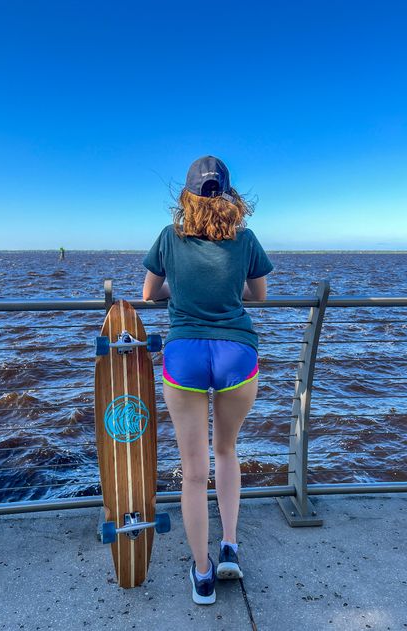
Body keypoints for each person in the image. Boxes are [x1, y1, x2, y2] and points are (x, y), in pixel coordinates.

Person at [142, 156, 273, 605]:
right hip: (237, 353)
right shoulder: (247, 239)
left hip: (186, 355)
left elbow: (148, 294)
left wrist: (179, 289)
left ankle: (202, 574)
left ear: (188, 195)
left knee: (194, 472)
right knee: (227, 451)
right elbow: (257, 295)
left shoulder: (168, 237)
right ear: (230, 196)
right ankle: (230, 545)